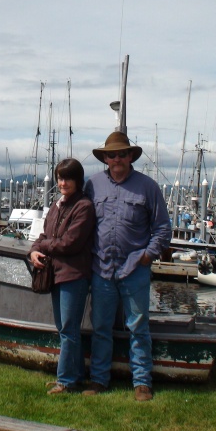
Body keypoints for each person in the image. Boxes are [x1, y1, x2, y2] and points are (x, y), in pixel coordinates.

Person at [82, 131, 172, 402]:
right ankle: (99, 379)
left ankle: (142, 382)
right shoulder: (92, 185)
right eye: (112, 154)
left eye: (122, 153)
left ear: (131, 156)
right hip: (101, 269)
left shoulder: (148, 187)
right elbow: (83, 223)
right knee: (101, 327)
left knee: (138, 327)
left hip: (135, 270)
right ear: (105, 158)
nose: (117, 158)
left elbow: (162, 229)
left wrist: (148, 255)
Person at [29, 158, 96, 395]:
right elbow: (43, 235)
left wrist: (44, 245)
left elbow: (70, 244)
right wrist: (34, 250)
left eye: (67, 178)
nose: (62, 182)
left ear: (78, 180)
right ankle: (75, 376)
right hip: (55, 274)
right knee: (66, 330)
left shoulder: (84, 207)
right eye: (59, 178)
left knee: (68, 329)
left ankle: (65, 381)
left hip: (74, 276)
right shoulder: (57, 206)